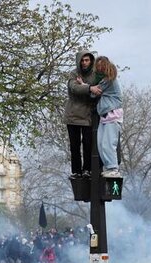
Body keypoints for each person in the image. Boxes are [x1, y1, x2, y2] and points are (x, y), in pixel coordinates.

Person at [64, 50, 96, 179]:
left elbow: (98, 90)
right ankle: (76, 171)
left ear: (91, 60)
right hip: (72, 115)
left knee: (88, 145)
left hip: (87, 116)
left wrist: (86, 86)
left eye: (87, 60)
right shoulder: (74, 73)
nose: (84, 63)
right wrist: (89, 88)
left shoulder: (95, 74)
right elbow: (74, 88)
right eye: (82, 60)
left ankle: (87, 169)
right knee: (74, 146)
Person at [91, 56, 123, 178]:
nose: (99, 68)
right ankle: (109, 167)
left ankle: (113, 168)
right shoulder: (104, 80)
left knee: (108, 144)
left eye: (101, 66)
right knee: (101, 144)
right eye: (98, 66)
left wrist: (84, 85)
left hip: (112, 114)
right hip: (104, 116)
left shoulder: (109, 80)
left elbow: (94, 93)